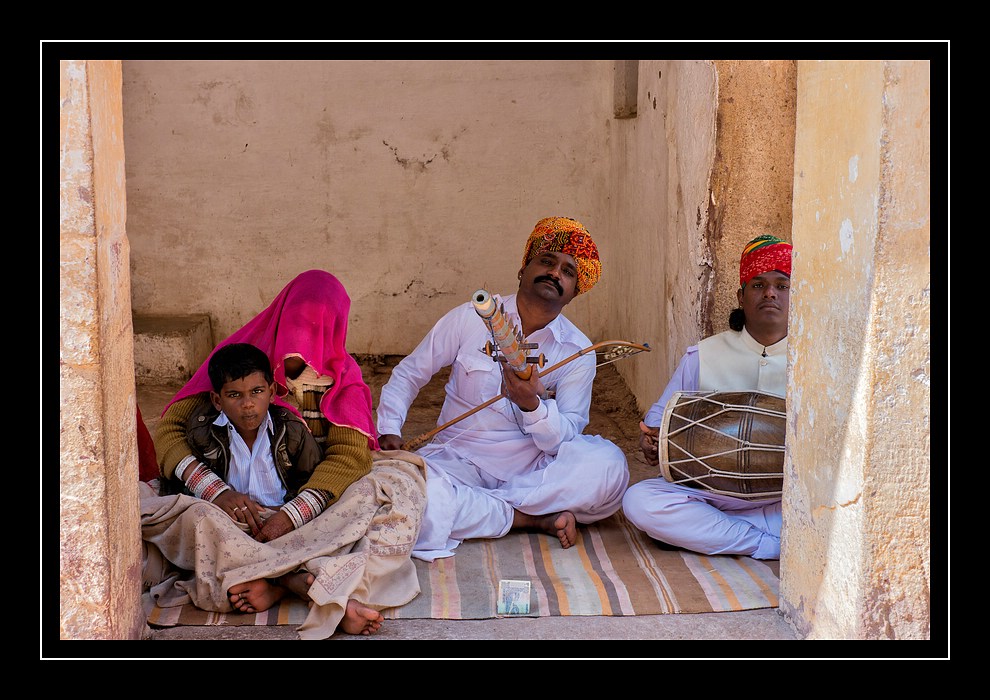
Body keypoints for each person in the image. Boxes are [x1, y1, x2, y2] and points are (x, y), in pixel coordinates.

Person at [141, 270, 427, 638]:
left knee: (397, 488)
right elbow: (170, 432)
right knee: (174, 512)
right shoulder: (244, 362)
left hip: (314, 504)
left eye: (316, 323)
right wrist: (218, 492)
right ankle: (306, 582)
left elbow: (350, 458)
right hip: (229, 509)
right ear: (280, 314)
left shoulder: (344, 377)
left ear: (335, 325)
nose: (303, 333)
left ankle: (272, 580)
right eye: (297, 319)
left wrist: (292, 515)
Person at [376, 216, 629, 561]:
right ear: (522, 270)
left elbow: (566, 436)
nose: (556, 273)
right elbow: (410, 373)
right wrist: (389, 429)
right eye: (547, 261)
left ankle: (484, 510)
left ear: (572, 294)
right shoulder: (472, 317)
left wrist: (534, 406)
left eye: (568, 272)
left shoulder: (576, 351)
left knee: (609, 469)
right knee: (407, 494)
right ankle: (527, 519)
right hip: (456, 462)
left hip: (530, 474)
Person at [622, 234, 792, 560]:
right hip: (711, 495)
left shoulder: (813, 362)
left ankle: (716, 531)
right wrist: (651, 442)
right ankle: (763, 544)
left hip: (782, 500)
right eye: (758, 285)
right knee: (640, 501)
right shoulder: (703, 355)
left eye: (782, 285)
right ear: (741, 296)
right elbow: (659, 423)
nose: (770, 292)